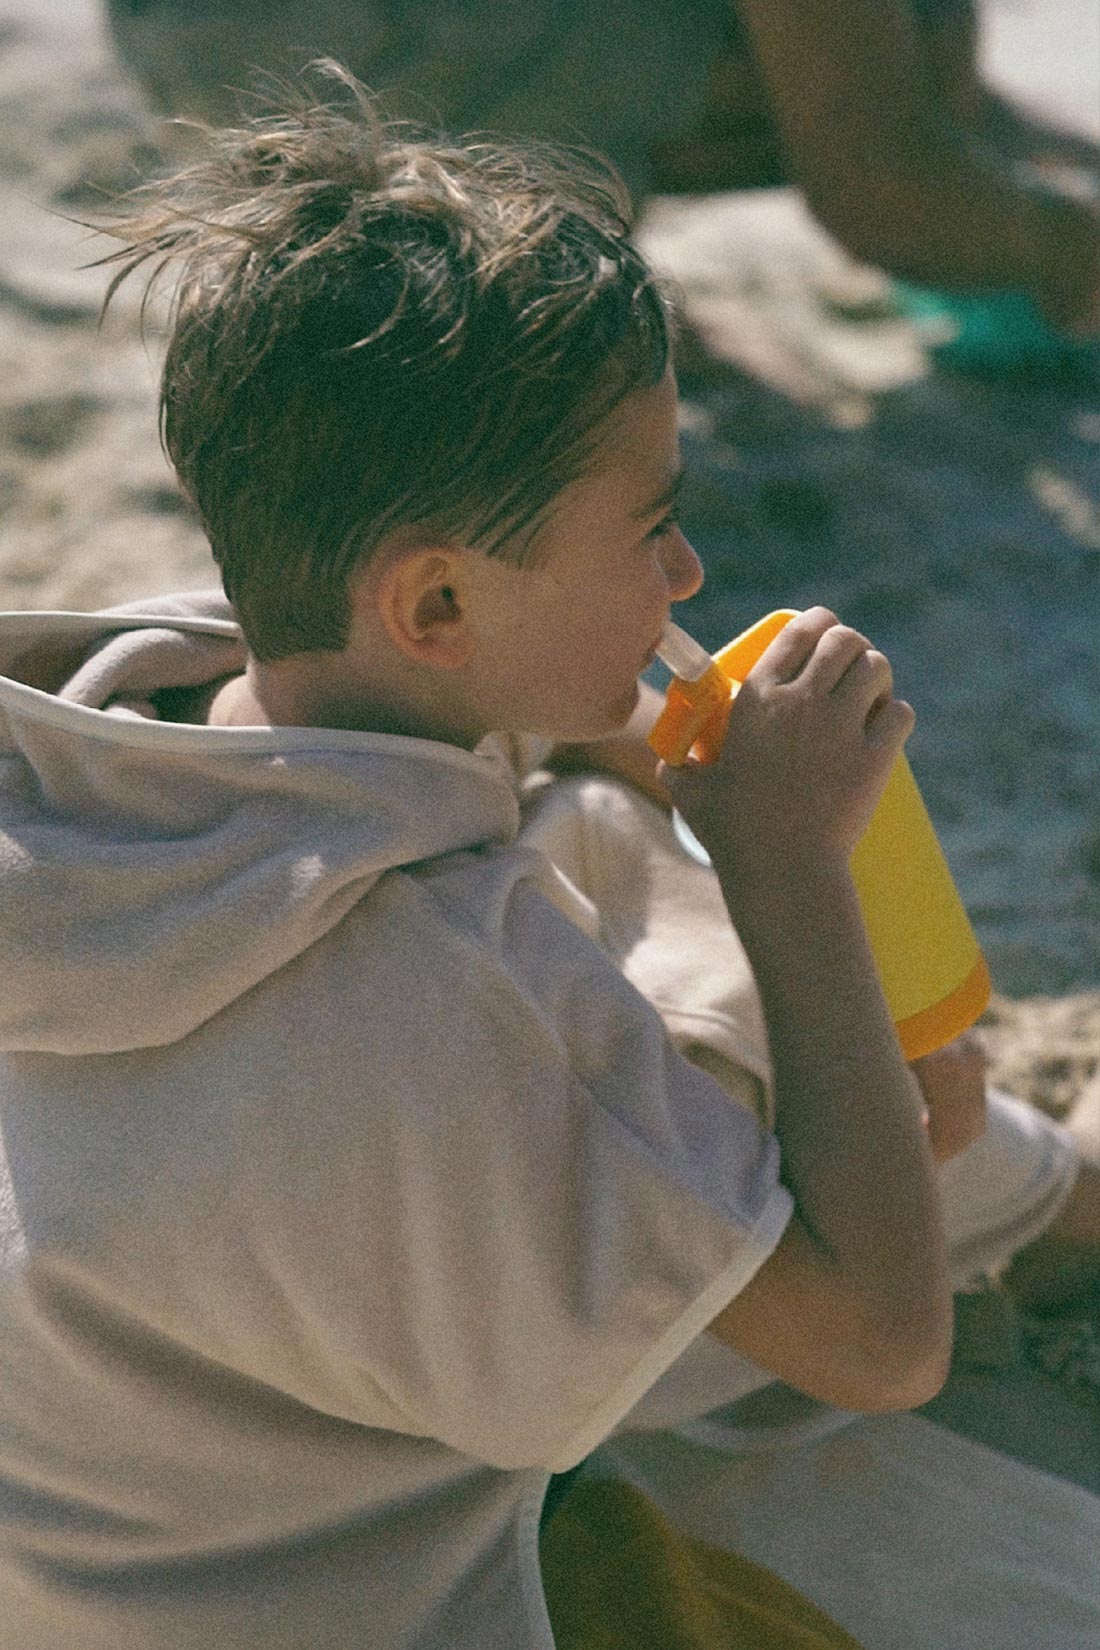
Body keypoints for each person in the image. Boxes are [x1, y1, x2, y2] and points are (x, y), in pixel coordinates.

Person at [0, 66, 1095, 1650]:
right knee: (745, 1023)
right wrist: (792, 873)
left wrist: (661, 745)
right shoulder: (441, 1005)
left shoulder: (145, 700)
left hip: (108, 1524)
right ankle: (1051, 1199)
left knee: (599, 845)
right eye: (650, 529)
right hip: (338, 1601)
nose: (690, 569)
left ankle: (1034, 1187)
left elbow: (544, 751)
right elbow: (878, 1340)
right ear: (437, 608)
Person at [105, 0, 1100, 340]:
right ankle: (534, 268)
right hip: (346, 63)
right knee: (920, 37)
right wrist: (1067, 251)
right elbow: (883, 194)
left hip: (188, 47)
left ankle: (541, 234)